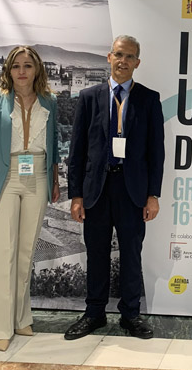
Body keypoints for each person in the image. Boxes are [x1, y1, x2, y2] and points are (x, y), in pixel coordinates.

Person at [64, 35, 165, 340]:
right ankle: (94, 313)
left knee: (131, 254)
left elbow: (156, 152)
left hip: (132, 190)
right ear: (109, 57)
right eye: (119, 55)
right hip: (96, 189)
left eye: (130, 56)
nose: (124, 61)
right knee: (97, 253)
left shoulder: (149, 99)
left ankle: (130, 315)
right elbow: (77, 150)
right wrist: (76, 195)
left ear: (137, 63)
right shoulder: (89, 97)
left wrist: (153, 194)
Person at [0, 45, 60, 351]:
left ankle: (21, 318)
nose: (22, 71)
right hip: (4, 177)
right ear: (8, 70)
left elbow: (54, 144)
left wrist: (55, 180)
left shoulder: (49, 100)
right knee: (3, 253)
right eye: (16, 66)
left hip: (38, 176)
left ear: (37, 70)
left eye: (28, 65)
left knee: (25, 253)